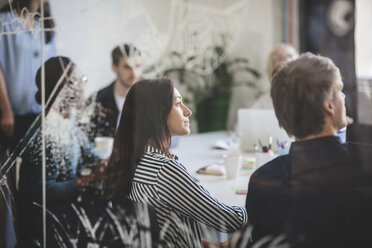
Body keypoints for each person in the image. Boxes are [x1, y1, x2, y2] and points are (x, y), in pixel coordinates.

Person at [245, 53, 372, 247]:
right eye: (339, 91)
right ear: (329, 105)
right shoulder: (365, 166)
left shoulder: (261, 180)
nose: (344, 96)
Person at [103, 78, 248, 247]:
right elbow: (229, 220)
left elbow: (162, 230)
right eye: (179, 104)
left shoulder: (133, 161)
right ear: (157, 114)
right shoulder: (164, 170)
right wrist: (259, 205)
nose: (188, 112)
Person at [17, 56, 107, 247]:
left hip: (65, 212)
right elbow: (42, 191)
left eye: (82, 80)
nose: (83, 88)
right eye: (76, 83)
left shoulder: (66, 122)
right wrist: (87, 180)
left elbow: (90, 153)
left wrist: (104, 162)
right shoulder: (44, 134)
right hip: (46, 225)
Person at [84, 43, 141, 141]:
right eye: (127, 67)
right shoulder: (97, 101)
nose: (134, 73)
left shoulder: (150, 99)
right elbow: (84, 140)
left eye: (137, 66)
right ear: (114, 68)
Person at [251, 43, 299, 109]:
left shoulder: (307, 94)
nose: (287, 60)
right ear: (272, 66)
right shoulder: (263, 102)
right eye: (281, 58)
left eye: (290, 56)